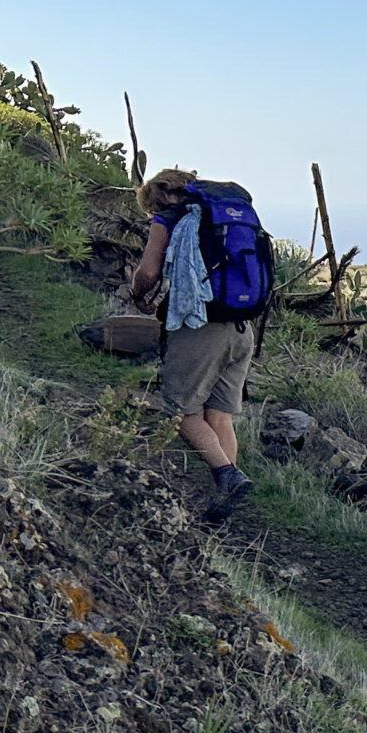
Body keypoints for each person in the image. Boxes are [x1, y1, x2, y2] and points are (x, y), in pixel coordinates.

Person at [129, 167, 258, 521]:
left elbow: (149, 272)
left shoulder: (168, 218)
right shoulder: (220, 216)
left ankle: (228, 476)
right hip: (241, 328)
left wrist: (137, 293)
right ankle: (227, 501)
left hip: (201, 326)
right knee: (219, 416)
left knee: (180, 411)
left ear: (155, 196)